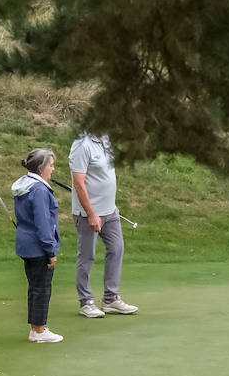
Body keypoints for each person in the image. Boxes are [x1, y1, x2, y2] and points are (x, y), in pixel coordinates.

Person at [69, 129, 138, 318]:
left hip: (110, 211)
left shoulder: (106, 141)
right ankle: (86, 302)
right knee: (87, 256)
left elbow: (106, 176)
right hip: (88, 213)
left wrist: (112, 204)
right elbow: (78, 183)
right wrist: (91, 213)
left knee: (117, 249)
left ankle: (110, 299)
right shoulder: (81, 145)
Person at [12, 147, 63, 343]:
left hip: (26, 245)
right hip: (38, 247)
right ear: (41, 168)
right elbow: (43, 224)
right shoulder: (40, 190)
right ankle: (39, 331)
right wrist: (50, 251)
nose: (53, 169)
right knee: (41, 287)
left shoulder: (25, 185)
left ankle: (36, 328)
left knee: (35, 287)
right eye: (51, 165)